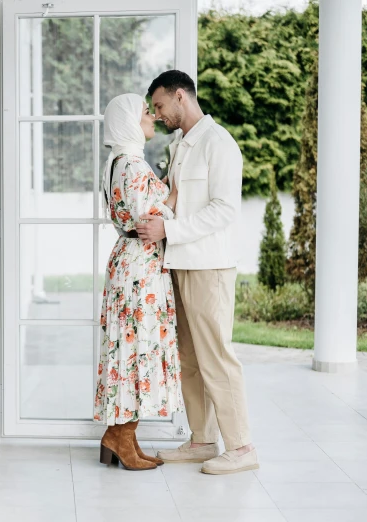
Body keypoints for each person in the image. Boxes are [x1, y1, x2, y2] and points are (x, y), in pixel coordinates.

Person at [136, 70, 260, 475]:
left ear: (179, 97)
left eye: (159, 106)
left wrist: (168, 229)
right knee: (189, 358)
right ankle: (203, 441)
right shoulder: (180, 146)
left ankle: (241, 448)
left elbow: (224, 209)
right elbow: (178, 199)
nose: (158, 114)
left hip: (210, 267)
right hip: (180, 264)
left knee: (217, 358)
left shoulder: (218, 143)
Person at [93, 93, 184, 471]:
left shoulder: (121, 163)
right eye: (145, 112)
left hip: (133, 263)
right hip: (138, 268)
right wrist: (175, 187)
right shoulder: (131, 164)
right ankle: (118, 436)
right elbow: (153, 214)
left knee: (132, 349)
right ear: (129, 122)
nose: (150, 117)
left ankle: (124, 436)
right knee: (136, 348)